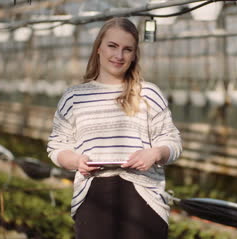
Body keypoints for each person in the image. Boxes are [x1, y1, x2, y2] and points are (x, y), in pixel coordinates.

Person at [47, 17, 182, 239]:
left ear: (134, 55)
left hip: (143, 199)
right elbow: (56, 146)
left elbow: (173, 142)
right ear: (98, 47)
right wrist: (75, 161)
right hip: (92, 200)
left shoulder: (148, 94)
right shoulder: (74, 98)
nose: (119, 56)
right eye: (112, 46)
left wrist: (155, 153)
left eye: (127, 49)